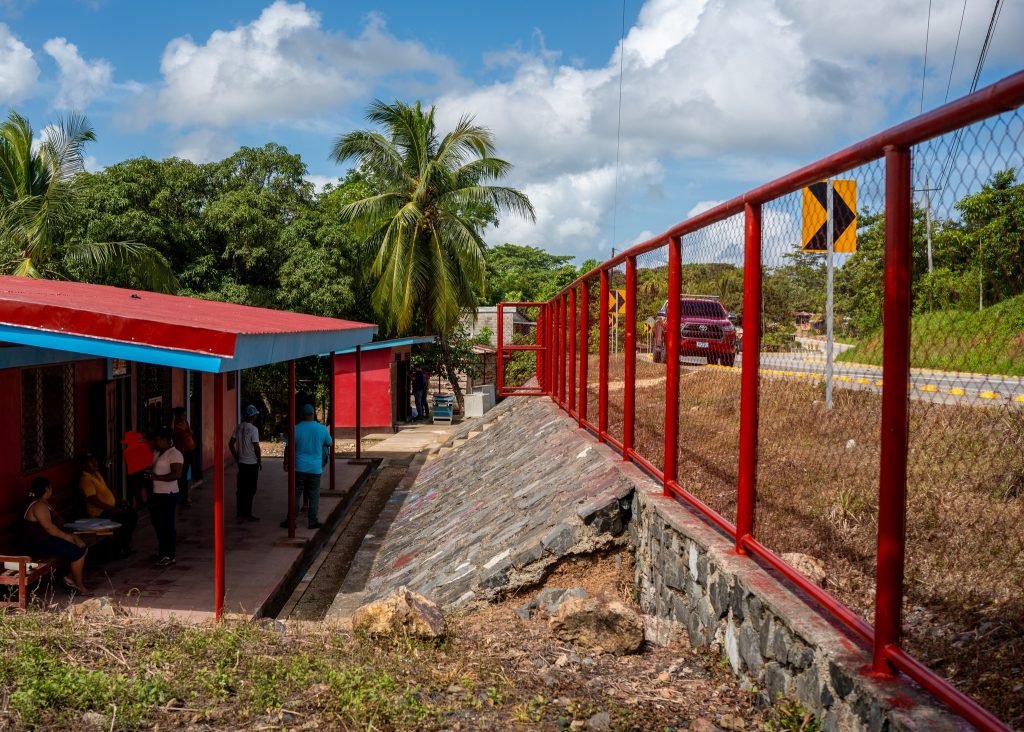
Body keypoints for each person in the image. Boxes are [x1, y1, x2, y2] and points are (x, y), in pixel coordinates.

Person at [23, 477, 89, 594]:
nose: (51, 489)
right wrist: (68, 537)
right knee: (78, 551)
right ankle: (79, 585)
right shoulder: (38, 505)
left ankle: (69, 578)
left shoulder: (43, 503)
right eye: (50, 487)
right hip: (40, 544)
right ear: (46, 489)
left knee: (82, 546)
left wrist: (71, 536)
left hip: (48, 541)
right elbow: (49, 527)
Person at [281, 404, 331, 530]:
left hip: (299, 468)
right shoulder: (322, 429)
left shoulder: (295, 429)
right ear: (313, 414)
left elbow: (288, 447)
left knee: (296, 493)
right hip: (315, 468)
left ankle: (291, 520)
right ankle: (312, 521)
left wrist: (285, 462)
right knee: (314, 494)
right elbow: (329, 443)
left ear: (302, 415)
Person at [78, 454, 137, 556]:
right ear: (84, 465)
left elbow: (107, 491)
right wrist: (111, 509)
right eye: (91, 462)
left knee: (132, 516)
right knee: (123, 522)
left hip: (108, 509)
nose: (95, 463)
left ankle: (124, 546)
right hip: (99, 513)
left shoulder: (96, 474)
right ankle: (118, 550)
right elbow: (92, 500)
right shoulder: (86, 479)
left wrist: (118, 501)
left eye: (95, 461)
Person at [144, 427, 183, 566]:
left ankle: (170, 555)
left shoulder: (175, 454)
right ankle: (162, 552)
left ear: (167, 440)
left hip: (168, 494)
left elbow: (177, 474)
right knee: (158, 524)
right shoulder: (158, 452)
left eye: (158, 440)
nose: (156, 442)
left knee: (167, 525)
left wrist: (158, 477)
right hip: (156, 494)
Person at [229, 404, 262, 522]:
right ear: (253, 416)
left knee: (241, 488)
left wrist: (236, 456)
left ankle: (240, 513)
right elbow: (256, 447)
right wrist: (259, 460)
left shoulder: (238, 427)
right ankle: (248, 513)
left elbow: (230, 443)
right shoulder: (254, 429)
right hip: (251, 463)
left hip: (241, 462)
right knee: (251, 489)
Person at [171, 407, 196, 507]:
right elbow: (171, 431)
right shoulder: (176, 426)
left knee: (185, 474)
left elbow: (191, 432)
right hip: (183, 452)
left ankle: (185, 496)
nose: (184, 416)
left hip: (190, 450)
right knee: (182, 475)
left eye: (185, 414)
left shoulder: (186, 422)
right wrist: (173, 418)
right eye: (182, 415)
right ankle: (183, 497)